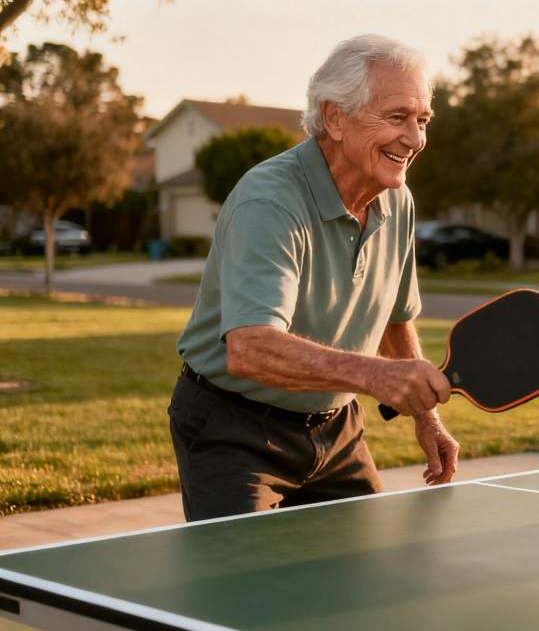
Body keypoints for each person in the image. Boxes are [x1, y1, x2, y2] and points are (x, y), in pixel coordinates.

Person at [169, 34, 459, 520]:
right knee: (240, 590)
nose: (414, 139)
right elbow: (250, 347)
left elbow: (393, 317)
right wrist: (376, 375)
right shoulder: (270, 202)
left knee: (359, 586)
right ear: (334, 118)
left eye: (422, 120)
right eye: (396, 117)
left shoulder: (396, 199)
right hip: (234, 429)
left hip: (337, 430)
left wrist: (426, 418)